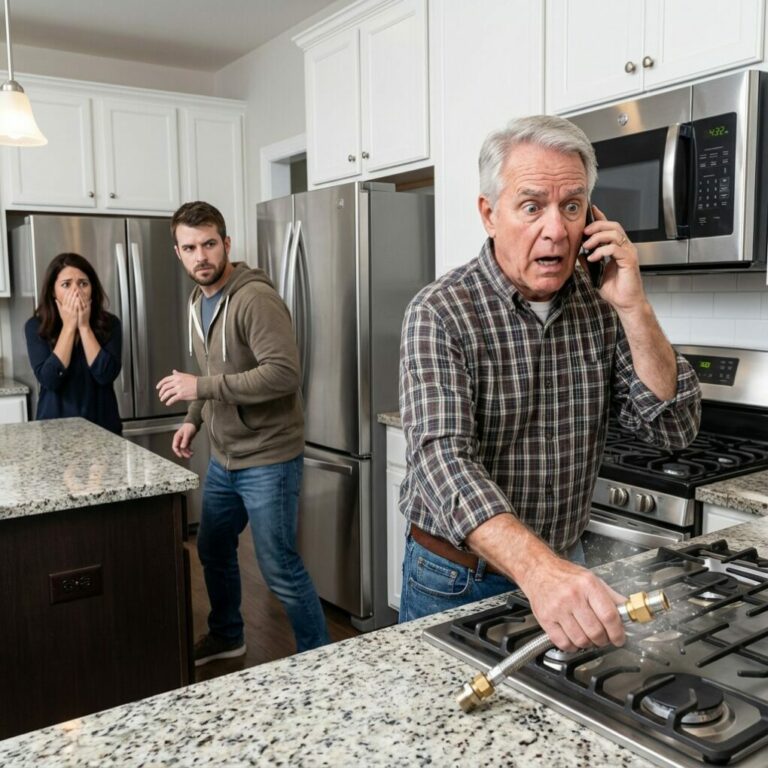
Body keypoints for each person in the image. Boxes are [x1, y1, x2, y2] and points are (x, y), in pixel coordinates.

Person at [398, 115, 702, 652]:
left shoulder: (602, 303)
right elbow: (442, 460)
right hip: (456, 579)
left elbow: (674, 431)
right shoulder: (440, 311)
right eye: (532, 206)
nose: (557, 230)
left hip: (564, 567)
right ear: (490, 214)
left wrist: (634, 306)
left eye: (572, 206)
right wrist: (541, 572)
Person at [156, 200, 329, 666]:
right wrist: (194, 417)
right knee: (212, 547)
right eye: (190, 247)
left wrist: (202, 387)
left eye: (209, 244)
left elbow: (284, 374)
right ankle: (228, 634)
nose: (201, 256)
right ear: (178, 252)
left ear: (226, 244)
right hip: (224, 458)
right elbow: (210, 370)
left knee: (279, 567)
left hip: (269, 458)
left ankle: (323, 660)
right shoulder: (199, 300)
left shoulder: (254, 298)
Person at [25, 252, 122, 435]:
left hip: (104, 430)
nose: (76, 291)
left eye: (83, 283)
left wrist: (84, 327)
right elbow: (50, 380)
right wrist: (69, 327)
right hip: (55, 433)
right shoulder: (36, 327)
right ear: (53, 291)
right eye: (66, 284)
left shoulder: (110, 324)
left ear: (92, 288)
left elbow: (106, 374)